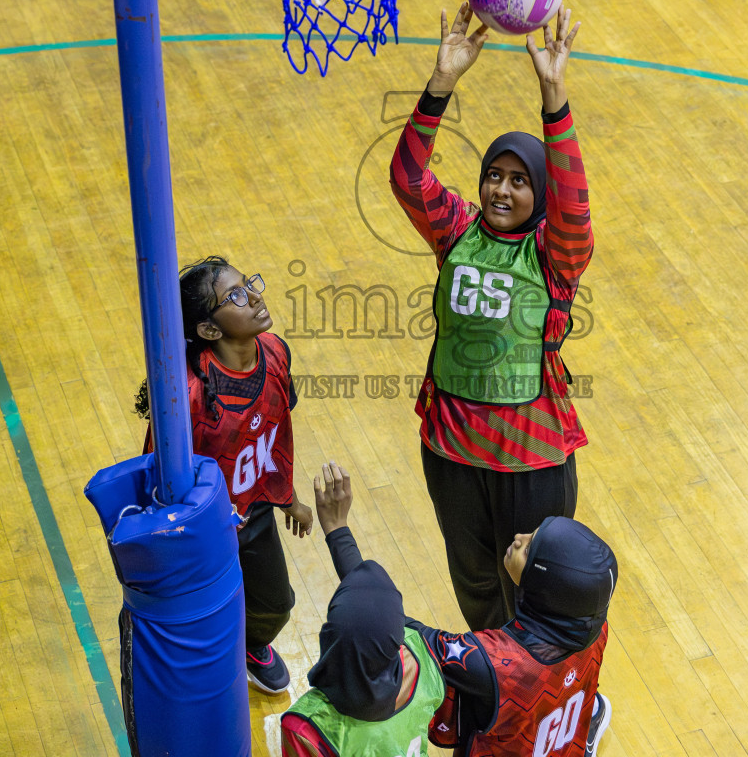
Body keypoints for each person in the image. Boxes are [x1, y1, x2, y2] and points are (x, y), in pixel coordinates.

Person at [388, 1, 593, 632]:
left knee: (541, 597)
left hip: (531, 460)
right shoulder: (457, 230)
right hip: (451, 451)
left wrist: (553, 95)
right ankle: (499, 692)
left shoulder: (555, 252)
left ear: (541, 193)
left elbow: (575, 202)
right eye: (492, 176)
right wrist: (441, 82)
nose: (501, 190)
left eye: (518, 182)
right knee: (475, 586)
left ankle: (566, 703)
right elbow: (406, 176)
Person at [292, 463, 616, 757]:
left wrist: (337, 531)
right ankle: (583, 726)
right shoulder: (593, 621)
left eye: (530, 547)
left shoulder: (493, 663)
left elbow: (376, 617)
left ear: (549, 589)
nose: (518, 537)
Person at [133, 257, 312, 694]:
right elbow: (156, 476)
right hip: (207, 527)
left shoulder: (276, 351)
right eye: (234, 296)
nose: (253, 296)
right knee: (204, 613)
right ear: (210, 330)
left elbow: (275, 432)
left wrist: (286, 497)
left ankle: (251, 646)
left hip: (255, 513)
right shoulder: (187, 396)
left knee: (277, 605)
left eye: (249, 283)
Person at [280, 462, 448, 757]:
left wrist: (336, 529)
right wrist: (338, 530)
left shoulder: (305, 726)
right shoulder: (427, 664)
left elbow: (367, 621)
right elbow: (375, 619)